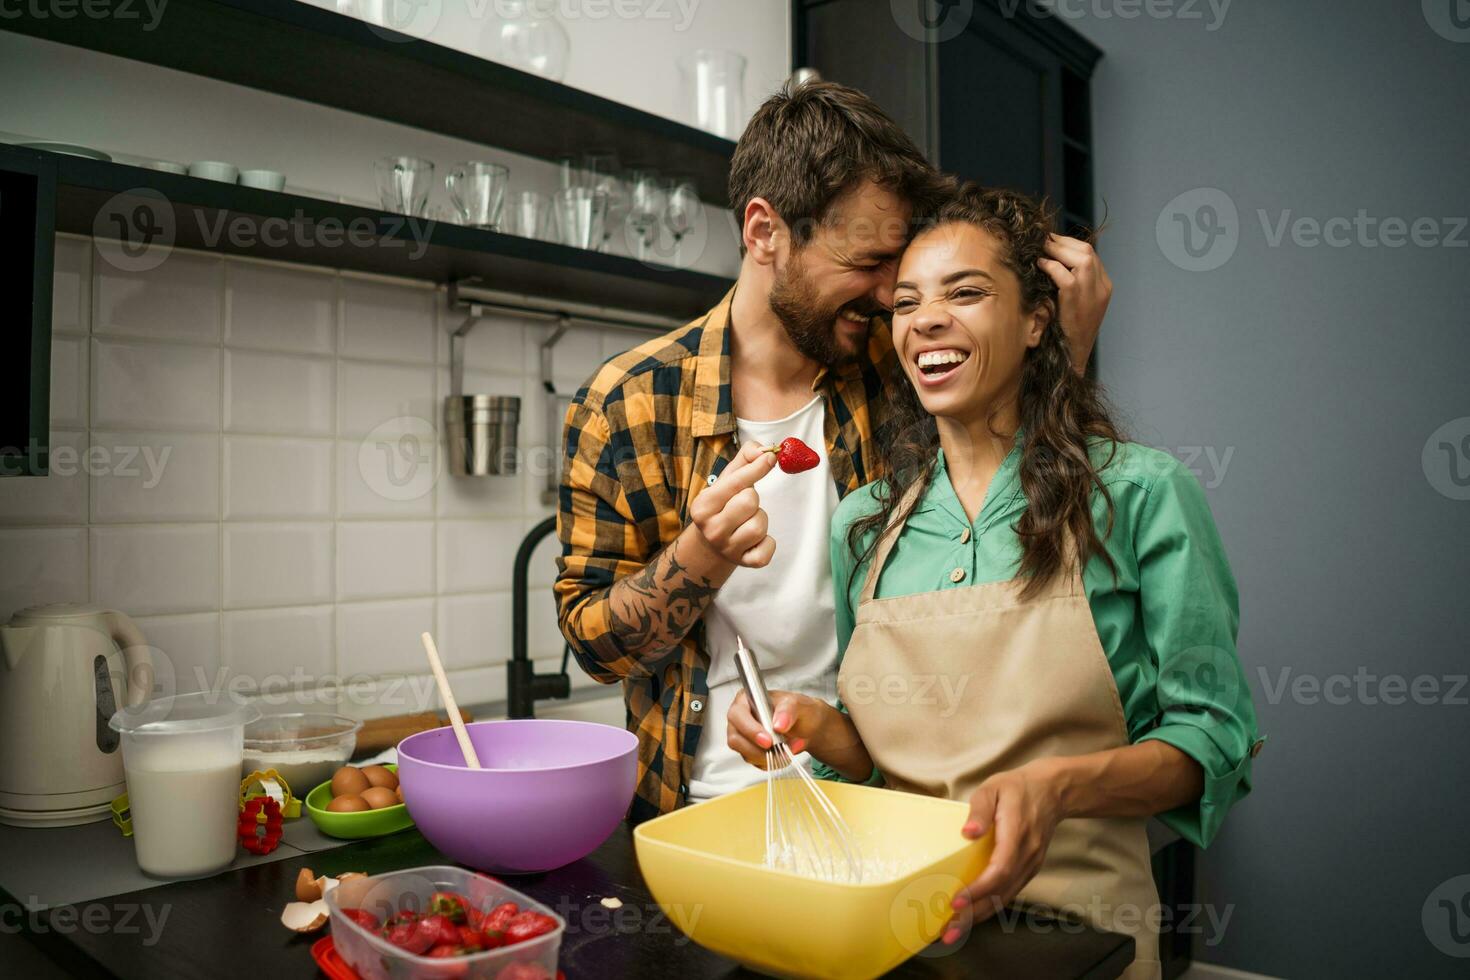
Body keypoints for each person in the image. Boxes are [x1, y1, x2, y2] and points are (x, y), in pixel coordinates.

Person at [724, 184, 1262, 979]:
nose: (926, 319)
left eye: (966, 292)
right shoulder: (865, 524)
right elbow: (877, 765)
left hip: (1083, 940)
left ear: (1037, 320)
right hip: (898, 936)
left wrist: (1060, 787)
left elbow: (1214, 741)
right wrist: (824, 732)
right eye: (905, 302)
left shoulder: (1142, 495)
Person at [554, 81, 1114, 824]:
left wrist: (1063, 352)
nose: (892, 296)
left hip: (900, 801)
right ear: (765, 233)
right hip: (700, 809)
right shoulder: (627, 402)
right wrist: (700, 555)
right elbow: (597, 647)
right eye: (868, 262)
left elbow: (1031, 517)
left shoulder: (905, 367)